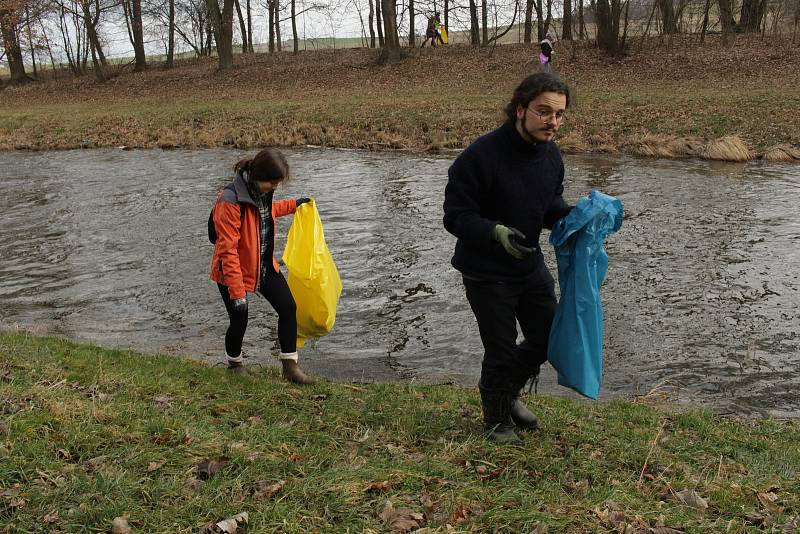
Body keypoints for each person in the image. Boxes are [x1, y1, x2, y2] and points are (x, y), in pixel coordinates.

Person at [443, 73, 574, 444]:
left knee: (550, 336)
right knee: (500, 347)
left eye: (559, 115)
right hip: (486, 272)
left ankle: (508, 392)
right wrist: (496, 232)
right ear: (520, 109)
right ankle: (496, 418)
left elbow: (548, 207)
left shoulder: (551, 156)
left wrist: (574, 217)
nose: (552, 122)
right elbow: (455, 215)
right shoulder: (480, 156)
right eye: (544, 111)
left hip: (529, 266)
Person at [210, 148, 314, 383]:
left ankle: (290, 367)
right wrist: (238, 295)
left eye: (278, 183)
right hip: (231, 272)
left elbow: (265, 213)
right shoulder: (229, 201)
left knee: (288, 308)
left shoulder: (262, 191)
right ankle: (235, 365)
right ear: (258, 175)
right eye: (272, 182)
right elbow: (228, 252)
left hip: (263, 266)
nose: (275, 187)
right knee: (240, 319)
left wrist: (293, 205)